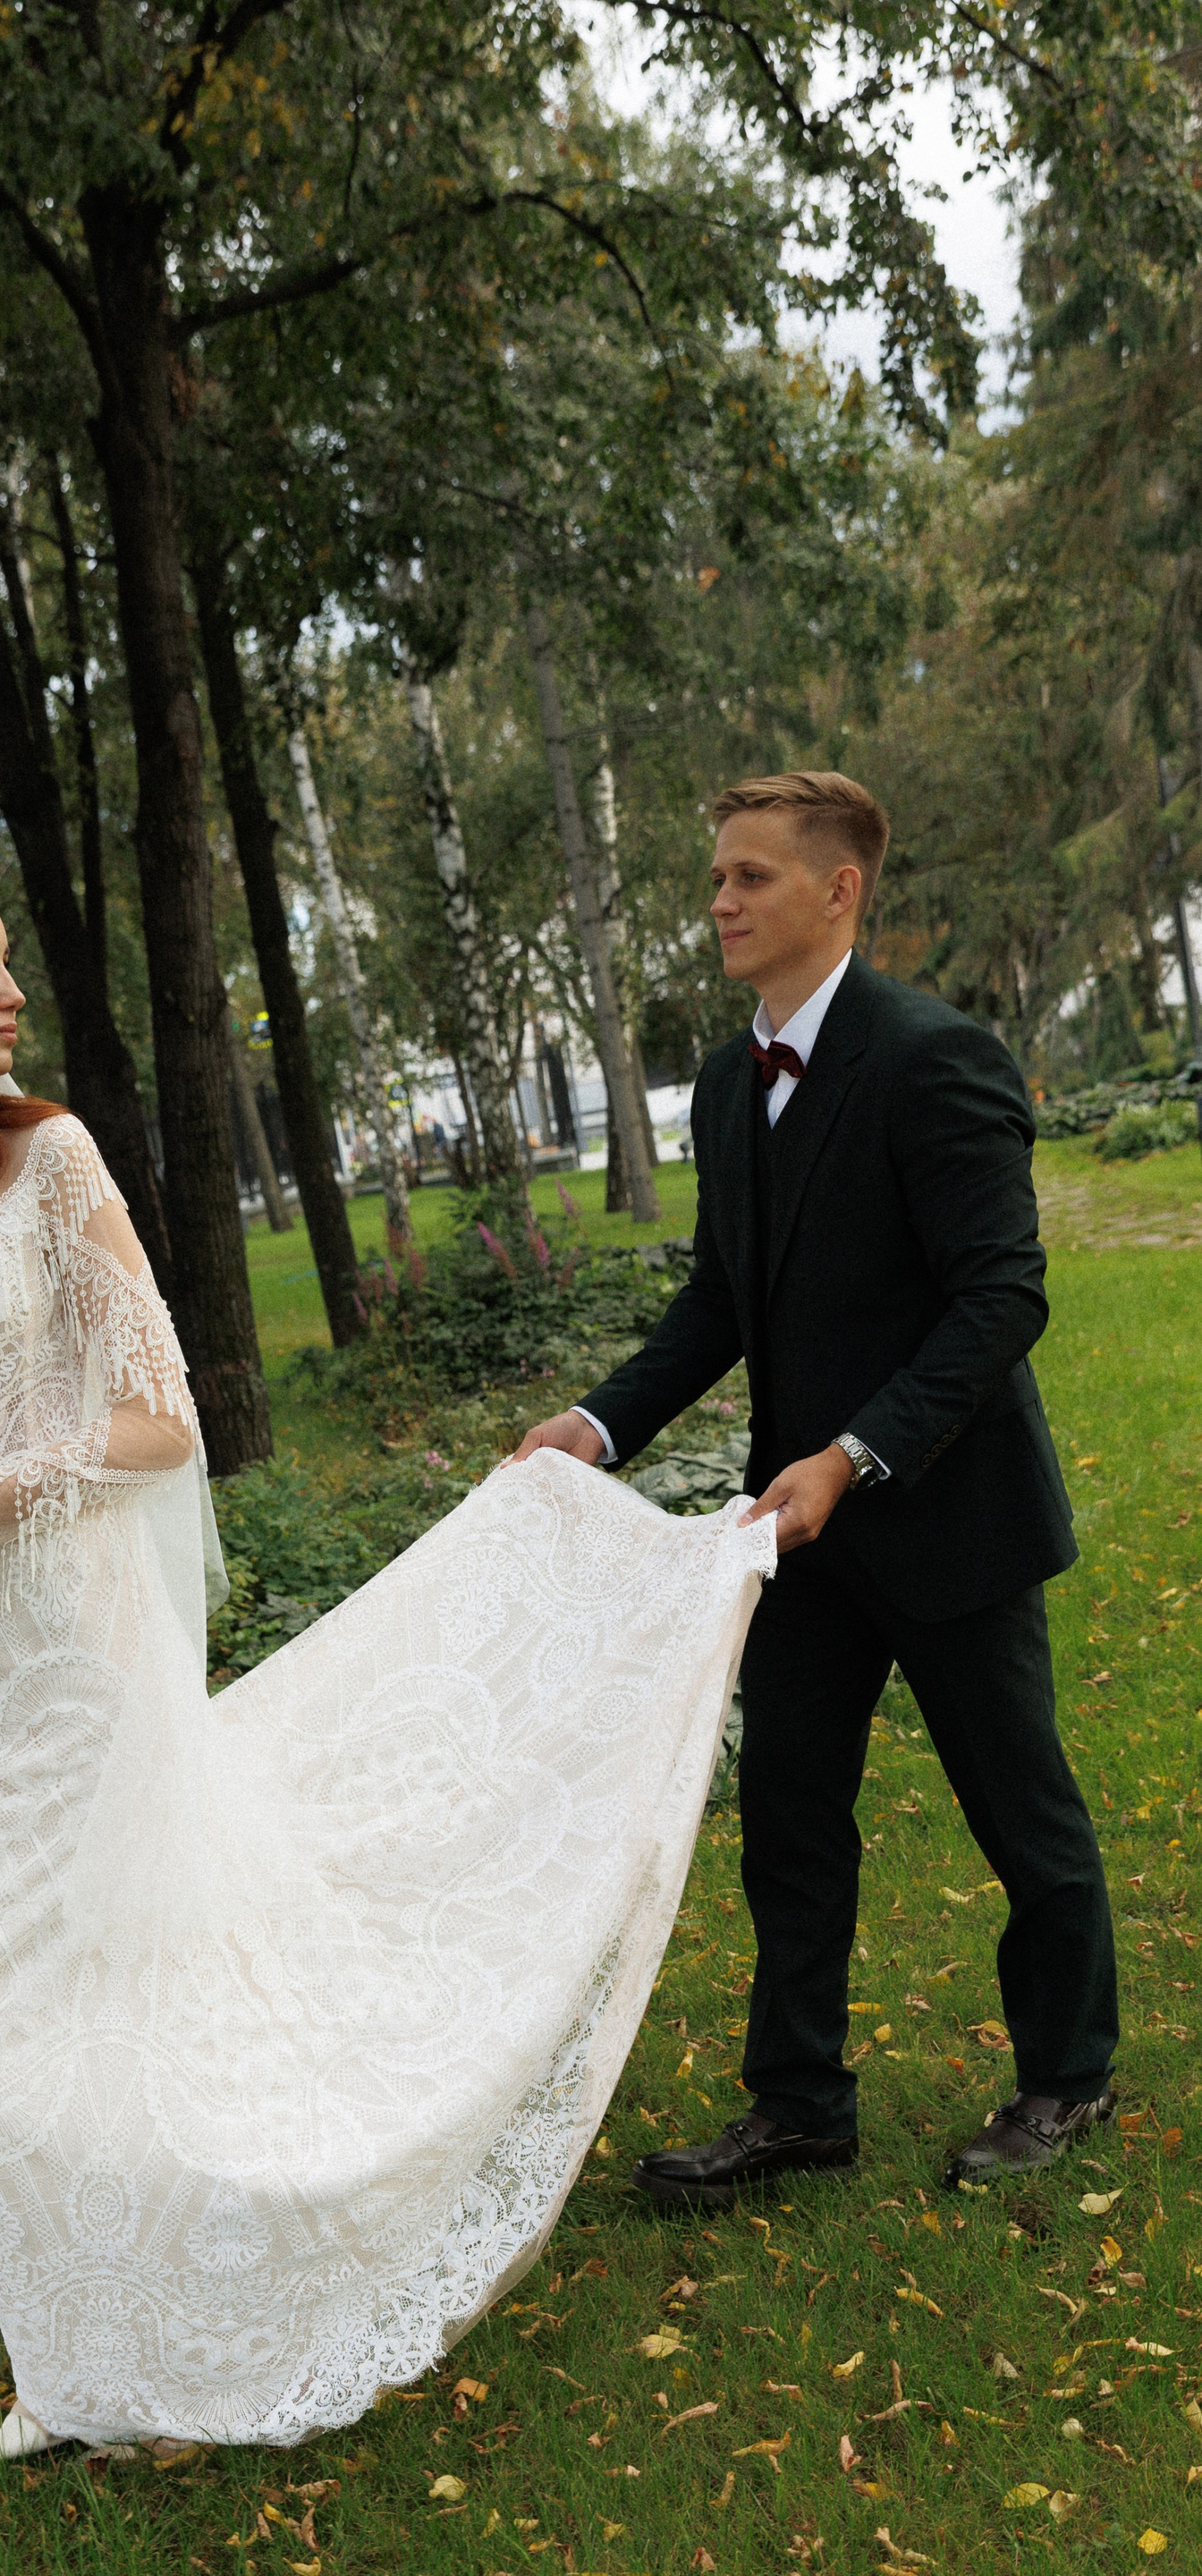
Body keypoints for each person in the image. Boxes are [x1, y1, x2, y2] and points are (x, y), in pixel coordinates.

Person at [0, 853, 776, 2459]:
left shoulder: (47, 1160)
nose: (10, 990)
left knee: (128, 2009)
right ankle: (100, 2323)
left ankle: (145, 2349)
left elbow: (160, 1421)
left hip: (69, 1656)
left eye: (7, 957)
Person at [515, 770, 1117, 2207]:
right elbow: (723, 1299)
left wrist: (856, 1455)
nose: (719, 902)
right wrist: (596, 1425)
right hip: (795, 1538)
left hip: (951, 1515)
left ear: (838, 889)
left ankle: (1068, 2075)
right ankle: (798, 2106)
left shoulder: (936, 1057)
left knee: (1021, 1813)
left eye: (750, 876)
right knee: (789, 1819)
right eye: (716, 877)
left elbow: (1001, 1297)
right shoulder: (730, 1084)